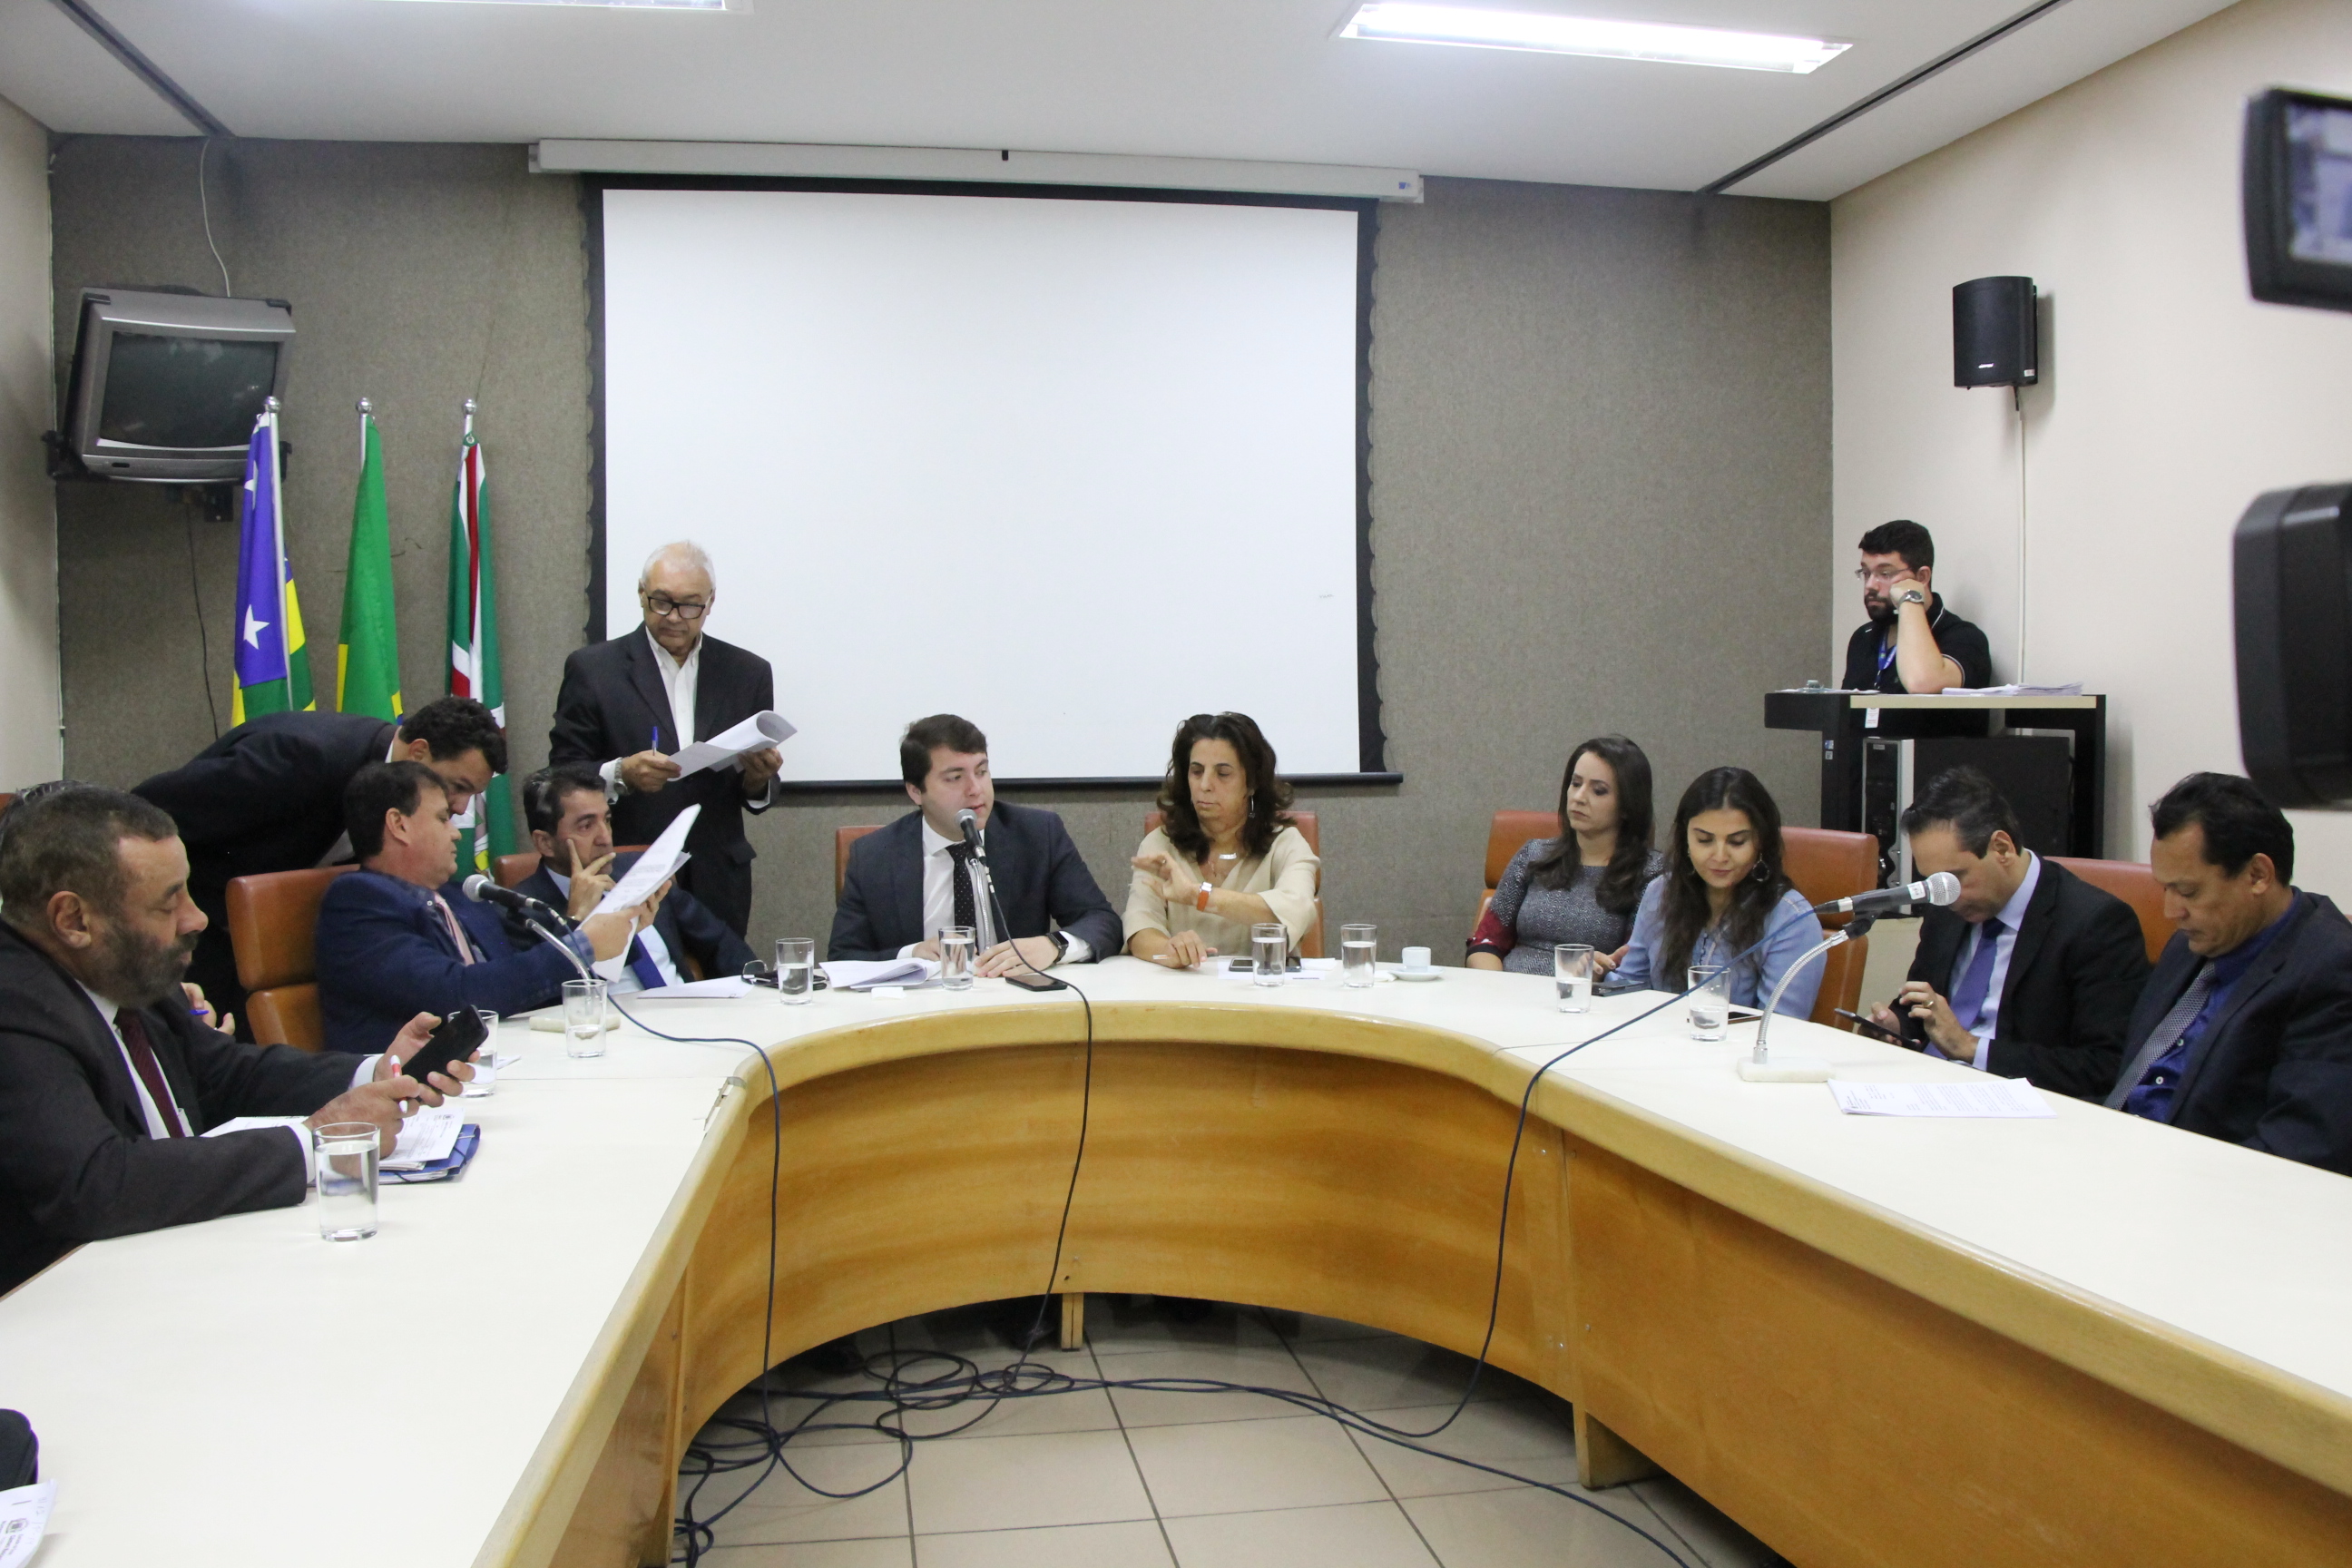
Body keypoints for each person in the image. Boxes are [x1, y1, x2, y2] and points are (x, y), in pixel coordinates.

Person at [0, 787, 470, 1296]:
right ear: (73, 920)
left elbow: (225, 1073)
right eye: (167, 903)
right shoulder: (14, 1003)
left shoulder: (118, 971)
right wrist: (315, 1142)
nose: (196, 918)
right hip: (68, 1303)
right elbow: (97, 1184)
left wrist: (375, 1072)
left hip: (177, 1262)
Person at [130, 697, 505, 1031]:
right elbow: (142, 818)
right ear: (419, 752)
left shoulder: (388, 781)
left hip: (273, 938)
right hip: (197, 930)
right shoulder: (302, 757)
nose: (460, 807)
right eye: (458, 786)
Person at [314, 762, 656, 1054]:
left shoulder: (462, 896)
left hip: (502, 1063)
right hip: (411, 1088)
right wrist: (583, 945)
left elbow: (523, 991)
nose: (456, 834)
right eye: (443, 818)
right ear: (399, 825)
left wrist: (620, 933)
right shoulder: (357, 903)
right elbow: (458, 996)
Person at [2105, 773, 2352, 1173]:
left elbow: (2300, 1149)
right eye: (2165, 889)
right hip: (2116, 1152)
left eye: (2188, 892)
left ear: (2258, 875)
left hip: (2206, 1184)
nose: (2170, 911)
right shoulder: (2194, 942)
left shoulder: (2332, 969)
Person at [1870, 767, 2150, 1099]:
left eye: (1954, 878)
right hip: (1929, 1089)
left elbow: (2104, 1066)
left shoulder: (2096, 924)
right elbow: (1927, 1011)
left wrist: (1970, 1048)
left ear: (2002, 848)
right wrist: (1897, 1026)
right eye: (1934, 882)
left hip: (2020, 1103)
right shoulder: (1947, 909)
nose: (1945, 895)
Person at [548, 541, 781, 937]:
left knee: (725, 972)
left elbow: (757, 789)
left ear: (710, 603)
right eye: (661, 602)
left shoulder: (747, 672)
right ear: (641, 594)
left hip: (718, 873)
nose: (674, 617)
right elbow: (560, 774)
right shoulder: (594, 669)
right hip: (630, 867)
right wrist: (620, 773)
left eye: (690, 606)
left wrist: (759, 780)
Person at [828, 715, 1121, 975]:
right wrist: (911, 954)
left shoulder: (1036, 834)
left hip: (1013, 1001)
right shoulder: (874, 855)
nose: (975, 789)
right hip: (920, 1007)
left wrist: (1054, 946)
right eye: (955, 778)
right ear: (916, 791)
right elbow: (843, 958)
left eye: (981, 772)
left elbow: (1102, 921)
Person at [505, 764, 756, 993]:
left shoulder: (640, 870)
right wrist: (575, 921)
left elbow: (719, 940)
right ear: (545, 843)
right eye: (586, 826)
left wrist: (762, 986)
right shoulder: (520, 912)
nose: (605, 838)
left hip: (683, 1011)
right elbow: (539, 1000)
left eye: (607, 820)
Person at [1608, 767, 1823, 1017]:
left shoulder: (1791, 920)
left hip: (1739, 1043)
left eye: (1736, 842)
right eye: (1704, 840)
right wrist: (1597, 976)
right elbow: (1630, 991)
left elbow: (1776, 1028)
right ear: (1685, 840)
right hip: (1658, 1038)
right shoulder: (1660, 893)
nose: (1720, 856)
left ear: (1761, 842)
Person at [1122, 713, 1320, 968]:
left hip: (1263, 986)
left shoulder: (1285, 843)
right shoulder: (1161, 844)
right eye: (1197, 772)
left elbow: (1297, 910)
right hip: (1184, 986)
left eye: (1223, 774)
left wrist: (1198, 896)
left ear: (1251, 783)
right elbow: (1140, 928)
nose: (1205, 785)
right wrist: (1168, 949)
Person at [1467, 736, 1664, 976]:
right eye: (1576, 783)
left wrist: (1600, 973)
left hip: (1588, 994)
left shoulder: (1651, 874)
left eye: (1598, 791)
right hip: (1508, 989)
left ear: (1627, 805)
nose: (1579, 797)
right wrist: (1498, 987)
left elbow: (1634, 967)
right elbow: (1486, 942)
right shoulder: (1534, 854)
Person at [1840, 520, 1994, 701]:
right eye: (1866, 573)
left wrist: (1910, 598)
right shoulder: (1863, 637)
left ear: (1922, 577)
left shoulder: (1964, 637)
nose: (1870, 585)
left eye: (1885, 574)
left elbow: (1922, 683)